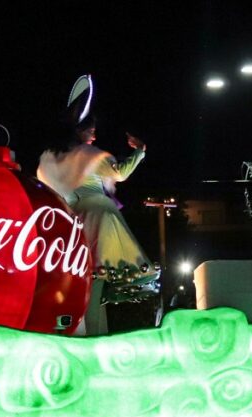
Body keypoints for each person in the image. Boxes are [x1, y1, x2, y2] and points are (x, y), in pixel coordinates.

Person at [37, 75, 159, 336]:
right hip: (100, 215)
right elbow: (121, 173)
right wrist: (140, 151)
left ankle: (85, 330)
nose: (94, 132)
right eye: (90, 128)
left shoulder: (52, 158)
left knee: (83, 278)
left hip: (73, 219)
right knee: (96, 277)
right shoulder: (90, 154)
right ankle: (93, 334)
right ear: (78, 129)